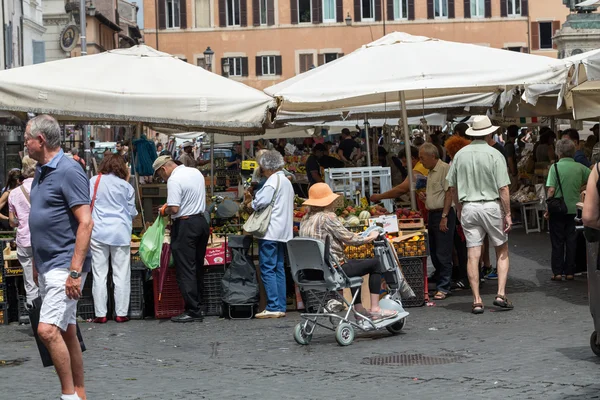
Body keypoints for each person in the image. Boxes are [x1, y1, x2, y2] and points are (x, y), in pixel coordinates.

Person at [27, 115, 93, 400]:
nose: (25, 145)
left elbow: (86, 222)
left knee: (46, 330)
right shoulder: (42, 172)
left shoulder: (68, 170)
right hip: (49, 264)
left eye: (27, 139)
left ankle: (68, 396)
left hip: (65, 265)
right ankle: (79, 393)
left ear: (40, 141)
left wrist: (75, 271)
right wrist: (36, 263)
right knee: (67, 331)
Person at [299, 183, 398, 321]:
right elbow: (350, 239)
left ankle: (359, 310)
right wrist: (370, 237)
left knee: (353, 266)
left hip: (310, 272)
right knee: (376, 263)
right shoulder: (327, 217)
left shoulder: (305, 219)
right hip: (331, 270)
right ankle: (375, 308)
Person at [446, 116, 513, 315]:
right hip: (491, 206)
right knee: (502, 250)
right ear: (489, 132)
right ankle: (500, 293)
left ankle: (476, 300)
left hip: (469, 207)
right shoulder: (494, 154)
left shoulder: (460, 155)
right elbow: (503, 188)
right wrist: (508, 213)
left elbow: (452, 187)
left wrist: (458, 208)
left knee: (472, 254)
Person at [154, 155, 209, 323]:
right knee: (197, 265)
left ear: (164, 169)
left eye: (159, 175)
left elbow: (175, 207)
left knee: (185, 268)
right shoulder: (195, 172)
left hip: (186, 225)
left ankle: (192, 310)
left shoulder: (174, 179)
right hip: (201, 221)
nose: (162, 178)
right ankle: (200, 305)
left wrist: (164, 210)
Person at [243, 151, 294, 318]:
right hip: (283, 231)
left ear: (266, 167)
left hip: (270, 230)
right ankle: (280, 306)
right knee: (278, 267)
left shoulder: (272, 181)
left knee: (267, 268)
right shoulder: (286, 181)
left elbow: (259, 203)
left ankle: (273, 306)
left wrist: (251, 200)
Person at [89, 154, 138, 323]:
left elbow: (87, 204)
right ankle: (121, 313)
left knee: (99, 274)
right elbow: (132, 212)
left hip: (98, 231)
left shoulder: (94, 181)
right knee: (121, 273)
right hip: (120, 232)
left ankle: (100, 314)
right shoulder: (126, 186)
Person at [545, 139, 591, 281]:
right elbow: (592, 178)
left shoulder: (555, 167)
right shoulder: (580, 167)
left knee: (557, 241)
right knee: (572, 241)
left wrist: (548, 208)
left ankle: (557, 272)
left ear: (559, 152)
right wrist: (581, 188)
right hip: (575, 209)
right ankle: (570, 272)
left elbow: (551, 189)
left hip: (558, 210)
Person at [419, 144, 456, 300]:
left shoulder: (444, 169)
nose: (421, 161)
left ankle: (444, 287)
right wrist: (427, 199)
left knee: (443, 251)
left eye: (422, 158)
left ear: (432, 156)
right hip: (434, 214)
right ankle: (442, 283)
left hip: (443, 214)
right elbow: (439, 194)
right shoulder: (431, 172)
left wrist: (444, 216)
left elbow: (449, 193)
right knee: (434, 251)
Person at [8, 157, 38, 306]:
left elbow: (12, 221)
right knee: (46, 280)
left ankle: (34, 318)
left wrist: (20, 221)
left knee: (29, 282)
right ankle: (49, 321)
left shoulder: (13, 193)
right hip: (42, 240)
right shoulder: (43, 186)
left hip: (24, 240)